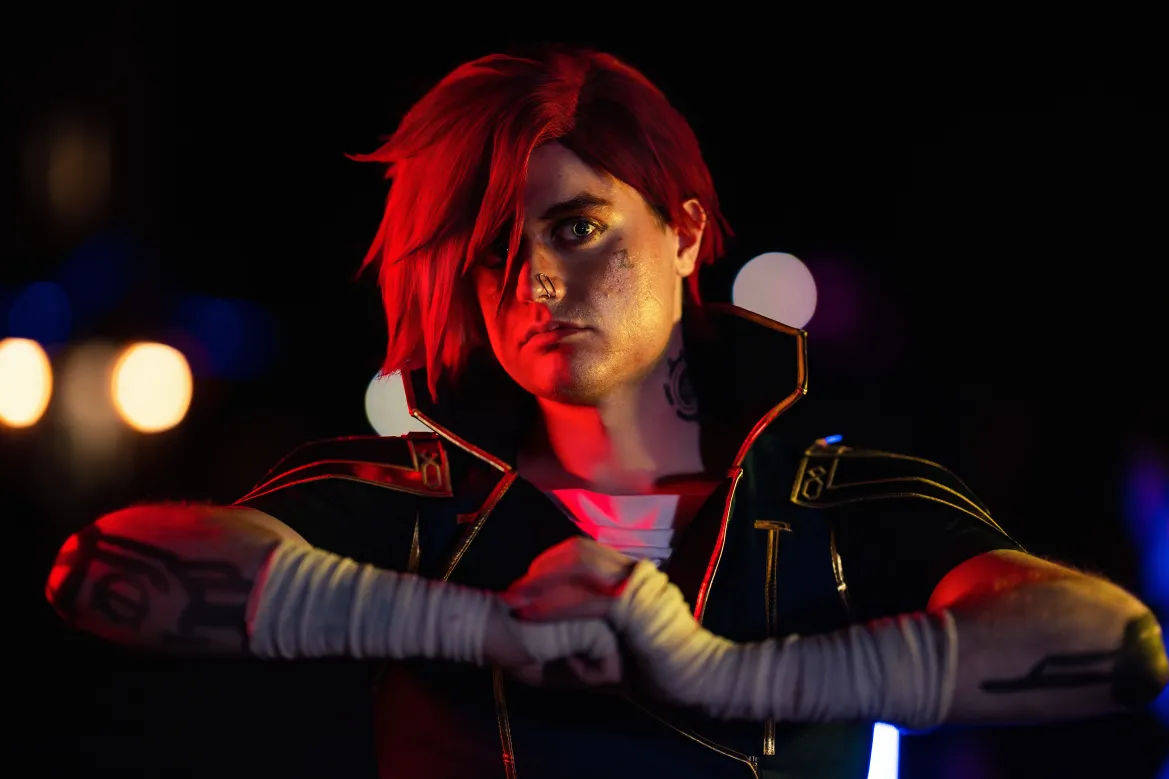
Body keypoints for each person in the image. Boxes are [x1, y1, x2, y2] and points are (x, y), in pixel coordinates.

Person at [45, 45, 1167, 779]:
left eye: (577, 227)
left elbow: (1116, 644)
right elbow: (99, 570)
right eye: (493, 247)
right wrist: (470, 626)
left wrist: (722, 673)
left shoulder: (838, 502)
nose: (533, 279)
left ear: (684, 232)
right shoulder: (420, 503)